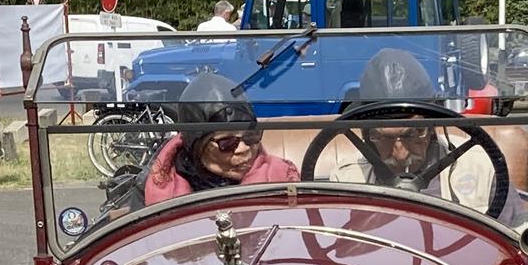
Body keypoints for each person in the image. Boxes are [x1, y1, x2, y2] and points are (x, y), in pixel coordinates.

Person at [329, 48, 501, 215]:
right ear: (367, 135)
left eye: (412, 135)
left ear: (432, 125)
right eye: (383, 137)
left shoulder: (481, 168)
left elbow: (517, 236)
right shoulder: (346, 181)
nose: (401, 154)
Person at [138, 72, 297, 205]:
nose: (244, 148)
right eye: (227, 143)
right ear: (197, 147)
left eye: (251, 136)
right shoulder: (155, 186)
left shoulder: (282, 180)